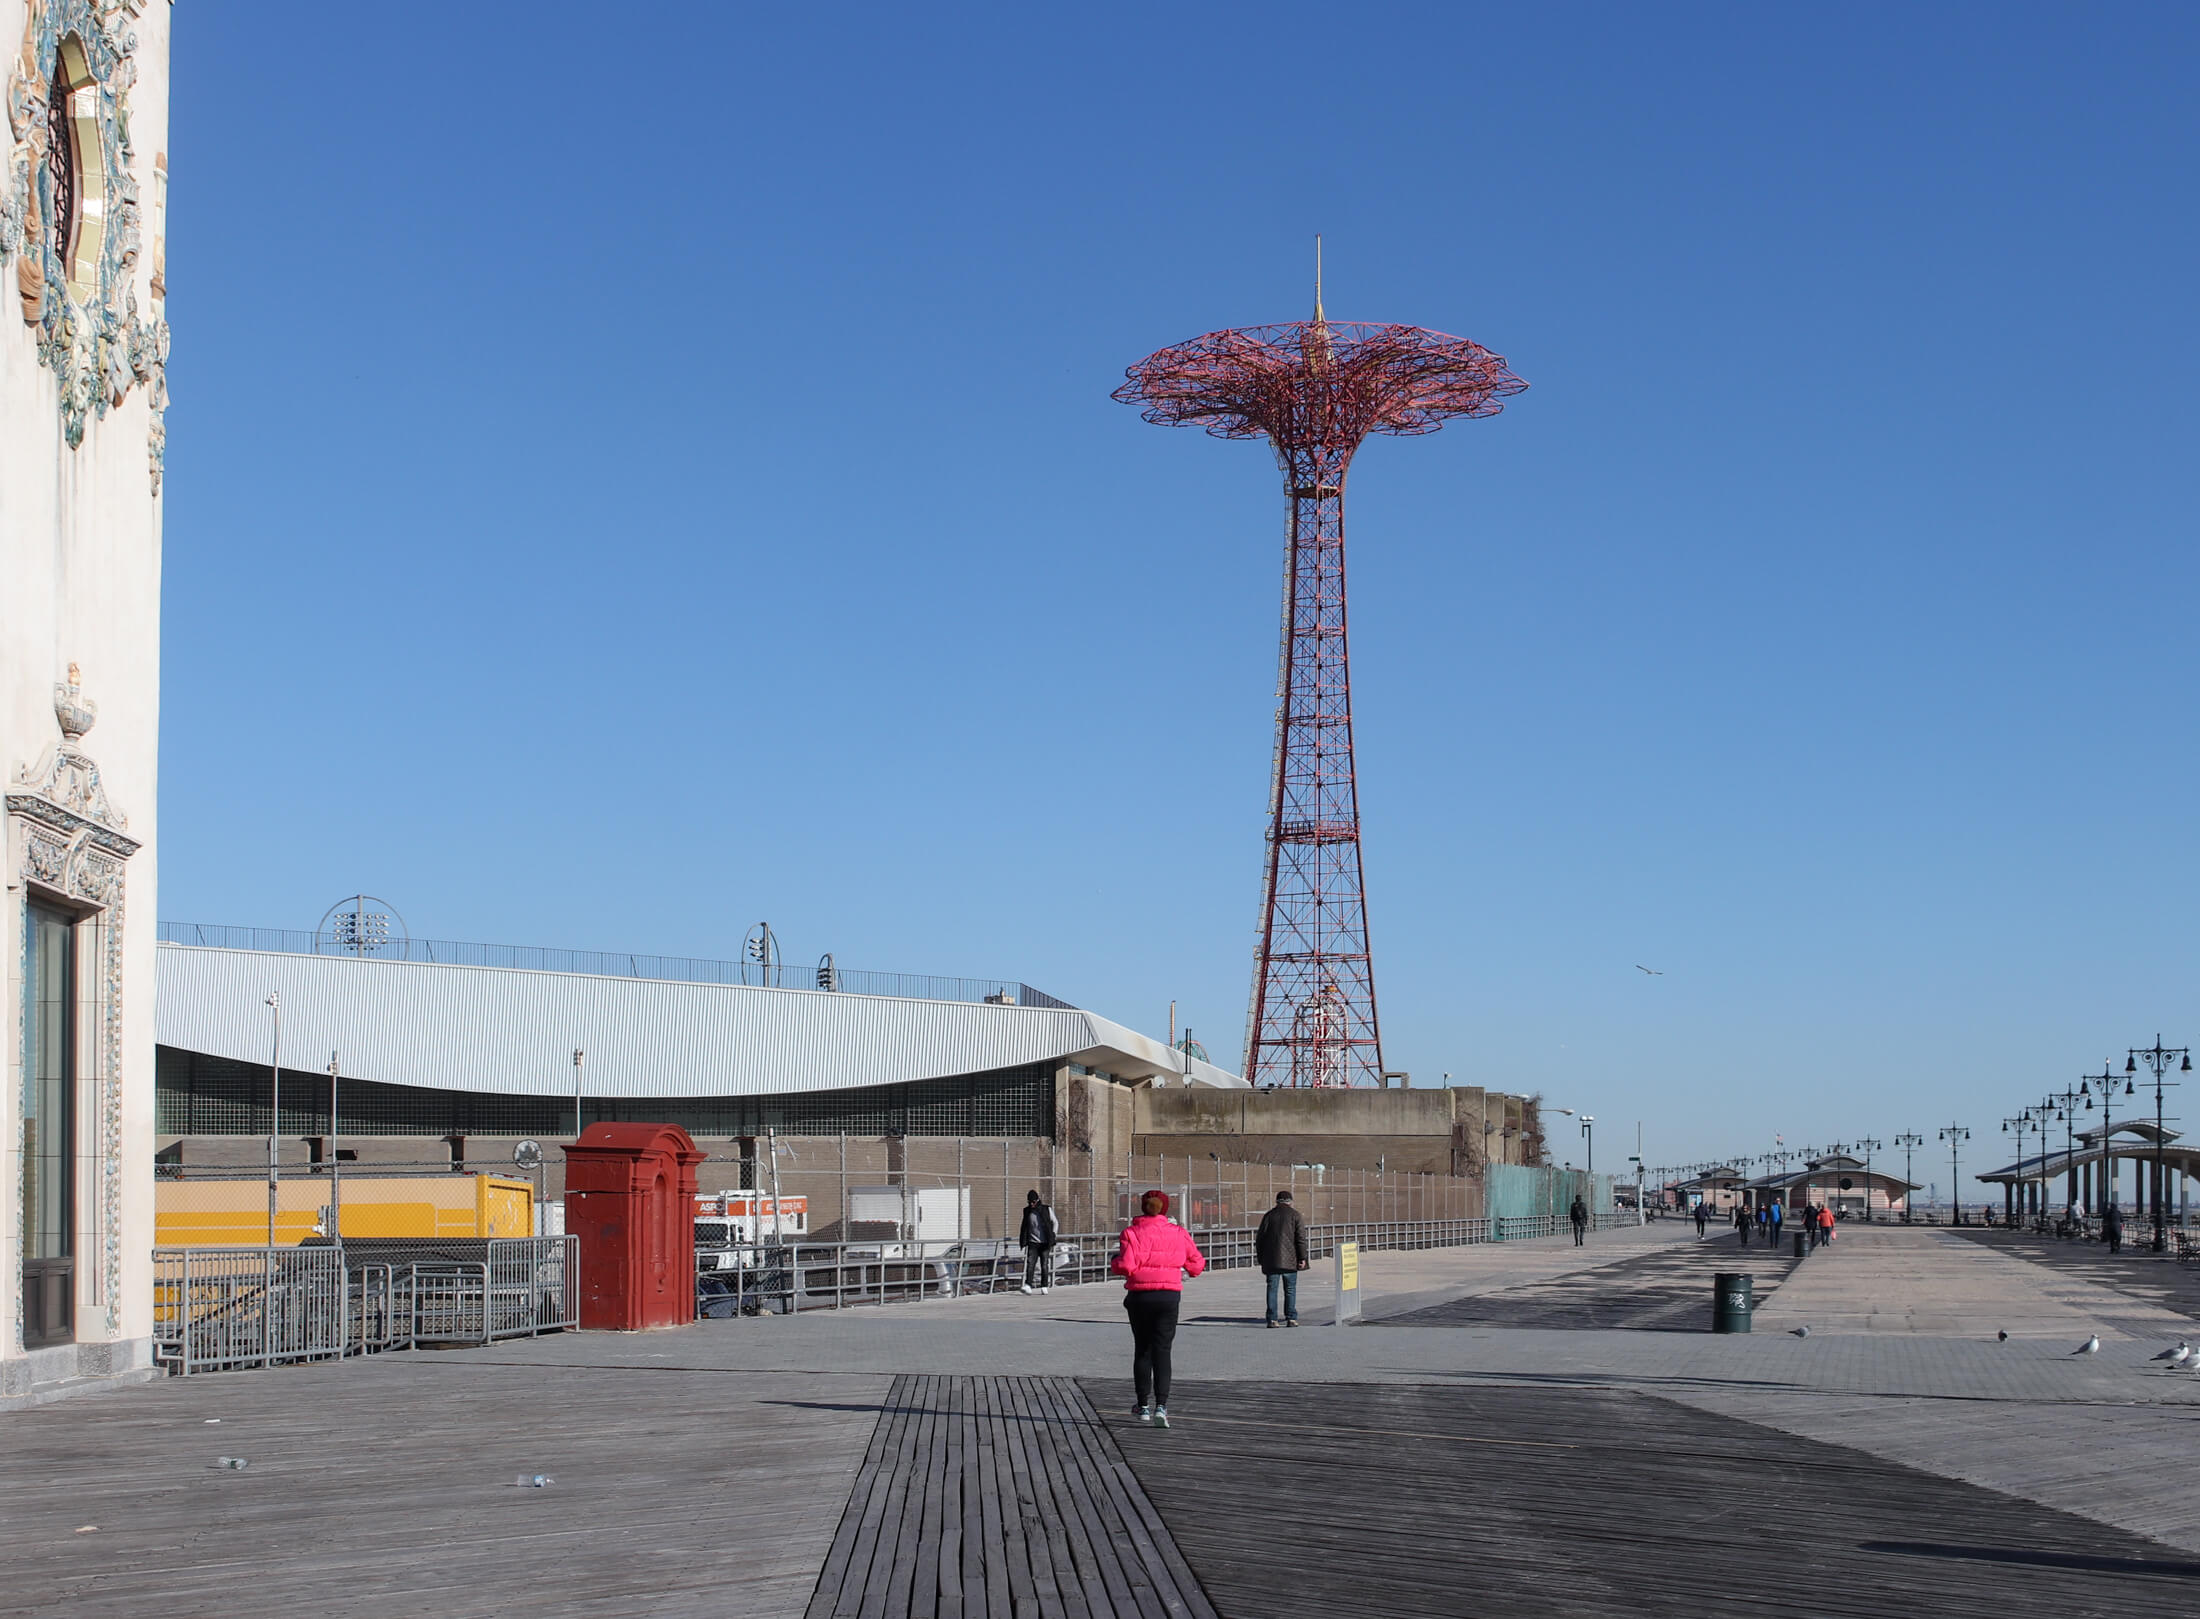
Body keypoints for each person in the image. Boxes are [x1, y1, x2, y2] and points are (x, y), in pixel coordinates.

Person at [1111, 1189, 1206, 1429]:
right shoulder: (1178, 1233)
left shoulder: (1131, 1233)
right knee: (1163, 1350)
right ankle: (1161, 1406)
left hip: (1140, 1296)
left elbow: (1127, 1265)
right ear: (1165, 1209)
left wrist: (1115, 1262)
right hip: (1168, 1296)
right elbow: (1196, 1265)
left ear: (1143, 1207)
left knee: (1142, 1349)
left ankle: (1142, 1405)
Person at [1255, 1190, 1310, 1327]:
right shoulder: (1295, 1215)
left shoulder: (1269, 1216)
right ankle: (1291, 1318)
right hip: (1290, 1261)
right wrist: (1302, 1257)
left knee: (1272, 1289)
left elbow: (1260, 1239)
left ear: (1277, 1202)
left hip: (1271, 1261)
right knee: (1290, 1289)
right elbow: (1300, 1239)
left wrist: (1261, 1258)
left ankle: (1272, 1319)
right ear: (1290, 1202)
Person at [1018, 1189, 1058, 1295]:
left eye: (1033, 1202)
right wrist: (1023, 1240)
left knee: (1044, 1264)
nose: (1031, 1204)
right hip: (1033, 1242)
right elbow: (1024, 1227)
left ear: (1037, 1200)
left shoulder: (1046, 1209)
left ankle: (1044, 1285)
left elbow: (1055, 1222)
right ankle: (1028, 1285)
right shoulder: (1027, 1211)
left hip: (1045, 1243)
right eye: (1030, 1202)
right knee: (1030, 1264)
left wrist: (1053, 1234)